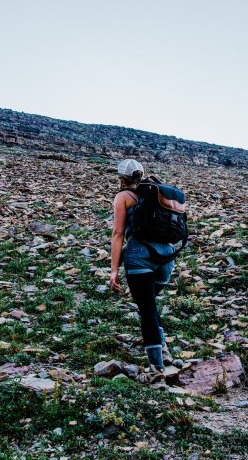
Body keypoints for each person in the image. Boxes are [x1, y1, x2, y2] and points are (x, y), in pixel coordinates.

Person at [109, 158, 175, 384]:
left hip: (140, 256)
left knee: (146, 309)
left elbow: (118, 234)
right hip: (167, 257)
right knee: (149, 304)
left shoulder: (123, 197)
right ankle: (164, 350)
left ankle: (157, 370)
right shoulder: (156, 193)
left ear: (121, 177)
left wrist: (114, 270)